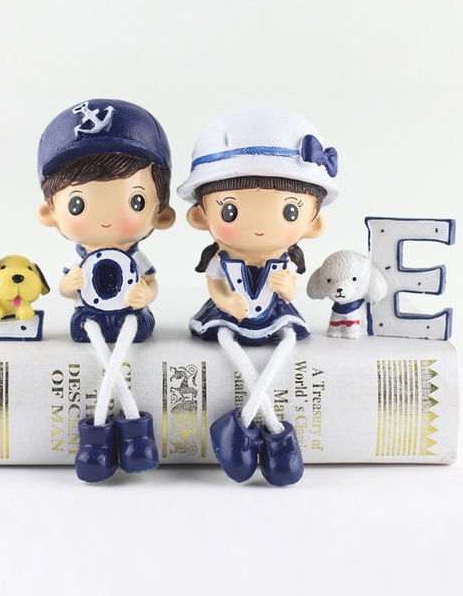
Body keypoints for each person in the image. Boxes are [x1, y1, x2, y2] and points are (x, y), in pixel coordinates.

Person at [177, 106, 339, 485]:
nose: (261, 228)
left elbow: (291, 287)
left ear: (313, 223)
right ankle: (264, 432)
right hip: (229, 313)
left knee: (285, 340)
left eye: (289, 211)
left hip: (273, 312)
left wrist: (287, 288)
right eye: (230, 211)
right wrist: (224, 300)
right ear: (201, 216)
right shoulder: (220, 260)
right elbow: (215, 284)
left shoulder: (285, 260)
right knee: (225, 336)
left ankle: (266, 430)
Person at [37, 99, 175, 482]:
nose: (105, 219)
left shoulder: (136, 256)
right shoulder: (79, 257)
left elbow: (150, 282)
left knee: (130, 333)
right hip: (90, 318)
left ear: (161, 213)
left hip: (132, 318)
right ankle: (98, 440)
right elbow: (66, 287)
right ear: (49, 213)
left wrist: (145, 295)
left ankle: (133, 438)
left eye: (135, 200)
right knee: (95, 339)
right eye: (77, 203)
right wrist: (70, 285)